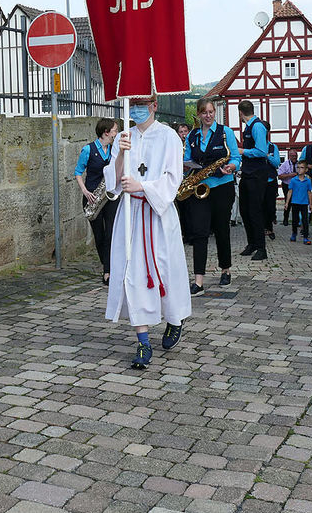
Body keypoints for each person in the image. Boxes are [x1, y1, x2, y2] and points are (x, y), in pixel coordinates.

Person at [104, 95, 191, 370]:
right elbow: (113, 180)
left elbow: (172, 178)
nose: (139, 108)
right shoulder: (123, 137)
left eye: (144, 103)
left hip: (158, 216)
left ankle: (174, 319)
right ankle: (142, 340)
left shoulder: (168, 137)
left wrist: (142, 187)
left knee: (165, 270)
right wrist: (120, 154)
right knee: (132, 274)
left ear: (154, 105)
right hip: (130, 216)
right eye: (135, 102)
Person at [182, 99, 240, 295]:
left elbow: (236, 158)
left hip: (222, 187)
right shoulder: (192, 135)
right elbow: (186, 159)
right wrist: (185, 168)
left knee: (221, 229)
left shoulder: (226, 133)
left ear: (215, 113)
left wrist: (231, 167)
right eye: (204, 112)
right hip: (200, 188)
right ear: (198, 114)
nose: (208, 115)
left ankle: (226, 269)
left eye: (211, 112)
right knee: (199, 232)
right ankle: (198, 281)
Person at [74, 118, 120, 284]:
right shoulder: (88, 149)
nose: (116, 133)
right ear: (106, 132)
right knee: (99, 236)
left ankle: (108, 270)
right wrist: (85, 191)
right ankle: (105, 264)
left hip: (110, 196)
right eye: (114, 130)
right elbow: (78, 172)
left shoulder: (114, 149)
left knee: (111, 234)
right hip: (92, 197)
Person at [236, 100, 270, 260]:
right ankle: (252, 243)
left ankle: (261, 248)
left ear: (240, 113)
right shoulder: (249, 126)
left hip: (257, 174)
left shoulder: (257, 126)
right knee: (245, 209)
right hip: (248, 173)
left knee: (255, 210)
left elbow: (262, 151)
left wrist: (243, 151)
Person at [285, 160, 312, 244]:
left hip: (304, 203)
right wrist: (287, 202)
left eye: (302, 168)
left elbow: (309, 192)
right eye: (298, 167)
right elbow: (290, 191)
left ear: (306, 170)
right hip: (295, 202)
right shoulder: (293, 180)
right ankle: (294, 233)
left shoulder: (308, 181)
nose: (299, 169)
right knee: (295, 220)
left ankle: (305, 236)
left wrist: (310, 203)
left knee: (305, 220)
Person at [263, 122, 281, 241]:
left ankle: (269, 228)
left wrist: (268, 156)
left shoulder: (272, 146)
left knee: (270, 206)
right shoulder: (254, 146)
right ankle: (262, 228)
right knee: (260, 205)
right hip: (259, 180)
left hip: (270, 180)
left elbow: (277, 163)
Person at [277, 148, 297, 227]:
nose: (294, 157)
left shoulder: (299, 164)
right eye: (292, 156)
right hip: (287, 185)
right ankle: (285, 219)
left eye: (295, 156)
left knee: (296, 202)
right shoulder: (285, 164)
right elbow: (279, 176)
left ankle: (296, 220)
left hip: (296, 185)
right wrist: (290, 175)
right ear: (289, 156)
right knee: (287, 202)